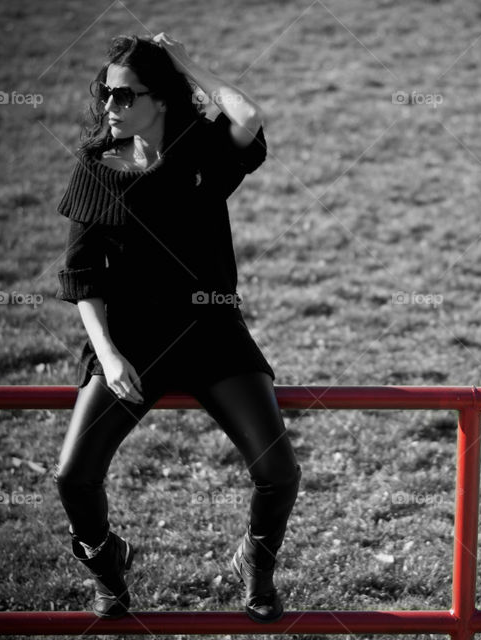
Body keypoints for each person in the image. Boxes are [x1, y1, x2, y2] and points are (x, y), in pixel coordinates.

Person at [52, 32, 301, 624]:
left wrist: (185, 61)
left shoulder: (202, 151)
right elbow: (81, 275)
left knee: (278, 472)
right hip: (132, 342)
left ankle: (255, 562)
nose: (108, 107)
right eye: (104, 94)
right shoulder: (96, 165)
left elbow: (248, 115)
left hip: (213, 333)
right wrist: (108, 355)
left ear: (160, 97)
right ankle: (108, 567)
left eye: (122, 95)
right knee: (73, 477)